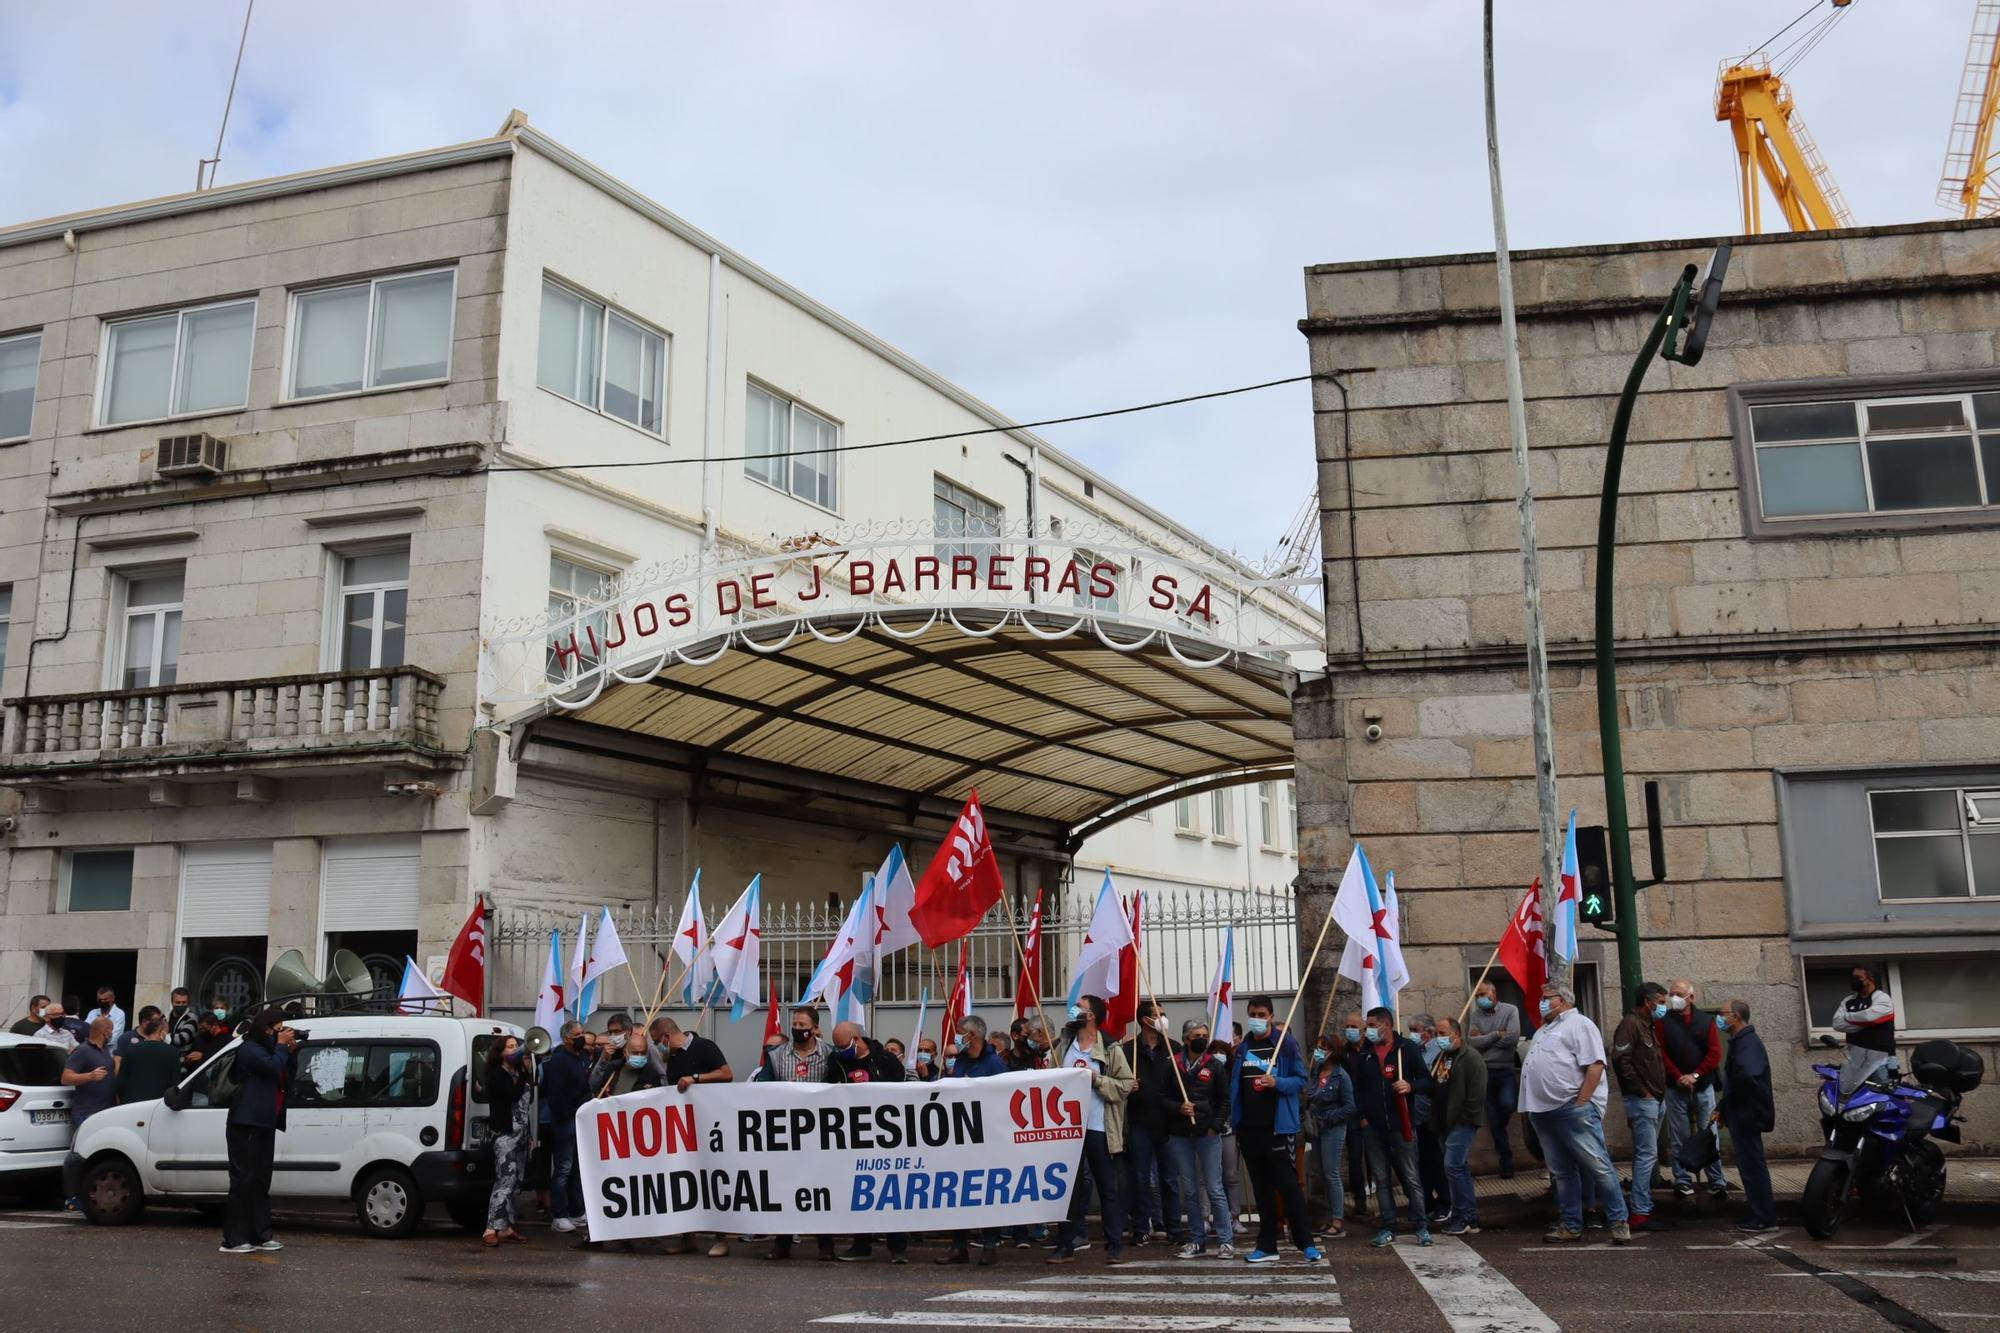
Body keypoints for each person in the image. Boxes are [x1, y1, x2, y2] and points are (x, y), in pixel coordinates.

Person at [1522, 984, 1631, 1245]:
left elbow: (1595, 1065)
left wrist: (1583, 1101)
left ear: (1562, 1000)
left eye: (1546, 998)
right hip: (1542, 1111)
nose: (1542, 1003)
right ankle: (1571, 1224)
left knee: (1598, 1166)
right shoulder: (1543, 1031)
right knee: (1561, 1172)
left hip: (1571, 1109)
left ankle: (1618, 1221)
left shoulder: (1580, 1024)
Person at [1229, 995, 1321, 1264]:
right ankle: (1267, 1244)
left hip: (1277, 1127)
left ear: (1270, 1015)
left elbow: (1301, 1081)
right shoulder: (1244, 1046)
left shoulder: (1285, 1043)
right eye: (1252, 1014)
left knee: (1288, 1185)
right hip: (1249, 1127)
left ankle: (1306, 1243)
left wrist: (1277, 1082)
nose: (1256, 1019)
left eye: (1260, 1014)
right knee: (1261, 1188)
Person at [1049, 995, 1134, 1265]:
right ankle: (1066, 1244)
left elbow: (1125, 1085)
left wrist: (1096, 1079)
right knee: (1069, 1191)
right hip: (1068, 1130)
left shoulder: (1110, 1048)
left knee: (1108, 1187)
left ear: (1091, 1016)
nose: (1074, 1010)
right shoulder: (1063, 1046)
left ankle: (1114, 1245)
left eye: (1080, 1007)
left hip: (1099, 1126)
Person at [827, 1022, 910, 1263]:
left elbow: (902, 1090)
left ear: (856, 1038)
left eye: (844, 1046)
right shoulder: (837, 1062)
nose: (840, 1050)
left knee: (891, 1192)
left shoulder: (885, 1058)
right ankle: (861, 1244)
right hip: (854, 1135)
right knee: (859, 1191)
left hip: (887, 1135)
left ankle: (897, 1247)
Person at [1351, 1005, 1432, 1248]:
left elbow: (1426, 1080)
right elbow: (1357, 1089)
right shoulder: (1364, 1053)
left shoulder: (1407, 1049)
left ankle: (1421, 1225)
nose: (1369, 1031)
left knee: (1410, 1175)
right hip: (1373, 1127)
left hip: (1401, 1123)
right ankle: (1388, 1226)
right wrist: (1363, 1117)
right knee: (1381, 1179)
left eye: (1373, 1026)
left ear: (1387, 1025)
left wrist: (1411, 1086)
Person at [937, 1015, 1011, 1265]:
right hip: (959, 1138)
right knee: (958, 1192)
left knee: (986, 1191)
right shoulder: (959, 1061)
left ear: (972, 1036)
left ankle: (990, 1244)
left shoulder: (994, 1064)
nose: (956, 1037)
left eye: (959, 1032)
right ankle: (959, 1245)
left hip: (987, 1138)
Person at [221, 1007, 295, 1254]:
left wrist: (290, 1051)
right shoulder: (250, 1048)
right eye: (277, 1029)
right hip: (245, 1123)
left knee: (261, 1181)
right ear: (266, 1028)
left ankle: (261, 1235)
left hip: (265, 1122)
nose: (280, 1033)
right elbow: (272, 1067)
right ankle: (233, 1239)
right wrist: (282, 1047)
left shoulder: (272, 1050)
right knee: (243, 1180)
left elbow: (284, 1074)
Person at [657, 1016, 732, 1257]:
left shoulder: (704, 1046)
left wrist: (696, 1079)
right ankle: (688, 1238)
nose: (657, 1047)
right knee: (685, 1179)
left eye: (657, 1041)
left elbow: (726, 1073)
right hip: (686, 1128)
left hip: (711, 1126)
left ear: (666, 1037)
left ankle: (721, 1238)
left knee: (714, 1179)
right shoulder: (674, 1057)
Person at [1167, 1016, 1234, 1258]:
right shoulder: (1172, 1064)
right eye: (1196, 1037)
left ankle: (1226, 1240)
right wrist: (1178, 1108)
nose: (1201, 1040)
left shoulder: (1214, 1065)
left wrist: (1215, 1126)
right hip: (1181, 1135)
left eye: (1204, 1036)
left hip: (1208, 1134)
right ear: (1186, 1039)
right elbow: (1162, 1099)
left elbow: (1225, 1100)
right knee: (1191, 1190)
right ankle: (1197, 1239)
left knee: (1215, 1188)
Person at [1657, 978, 1728, 1201]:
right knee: (1679, 1136)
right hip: (1675, 1087)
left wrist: (1695, 1075)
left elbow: (1714, 1053)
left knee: (1709, 1135)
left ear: (1691, 997)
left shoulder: (1705, 1022)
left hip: (1703, 1085)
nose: (1674, 998)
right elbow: (1662, 1053)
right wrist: (1678, 1077)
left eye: (1678, 994)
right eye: (1671, 994)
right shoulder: (1664, 1022)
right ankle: (1682, 1180)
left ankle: (1716, 1180)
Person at [1127, 998, 1185, 1249]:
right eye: (1158, 1014)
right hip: (1139, 1121)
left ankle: (1174, 1227)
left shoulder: (1173, 1048)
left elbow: (1183, 1082)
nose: (1163, 1018)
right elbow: (1117, 1082)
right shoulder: (1128, 1050)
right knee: (1140, 1178)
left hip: (1168, 1123)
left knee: (1170, 1178)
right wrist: (1129, 1087)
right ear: (1145, 1020)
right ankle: (1141, 1228)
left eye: (1163, 1013)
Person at [1610, 982, 1669, 1229]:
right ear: (1648, 1002)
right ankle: (1639, 1211)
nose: (1664, 1007)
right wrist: (1642, 1091)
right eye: (1662, 1002)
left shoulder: (1647, 1026)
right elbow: (1621, 1061)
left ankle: (1643, 1206)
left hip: (1655, 1098)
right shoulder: (1630, 1025)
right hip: (1643, 1100)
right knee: (1646, 1156)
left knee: (1647, 1155)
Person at [1717, 999, 1776, 1234]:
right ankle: (1759, 1213)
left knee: (1753, 1166)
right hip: (1742, 1112)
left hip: (1747, 1114)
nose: (1720, 1019)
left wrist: (1732, 1104)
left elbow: (1747, 1077)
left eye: (1723, 1014)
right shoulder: (1741, 1041)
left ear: (1736, 1017)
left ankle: (1764, 1217)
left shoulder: (1747, 1043)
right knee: (1749, 1166)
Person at [1432, 1017, 1486, 1235]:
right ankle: (1471, 1217)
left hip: (1461, 1122)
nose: (1439, 1038)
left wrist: (1466, 1118)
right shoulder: (1444, 1057)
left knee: (1452, 1166)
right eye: (1437, 1033)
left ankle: (1461, 1215)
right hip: (1444, 1122)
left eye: (1443, 1033)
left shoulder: (1471, 1058)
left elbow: (1477, 1093)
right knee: (1460, 1168)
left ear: (1456, 1034)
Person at [482, 1034, 534, 1248]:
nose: (514, 1050)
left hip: (521, 1134)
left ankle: (506, 1226)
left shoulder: (518, 1071)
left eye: (516, 1046)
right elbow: (512, 1095)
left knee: (517, 1182)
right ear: (501, 1052)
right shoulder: (496, 1074)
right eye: (510, 1047)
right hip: (504, 1134)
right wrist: (523, 1073)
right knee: (505, 1180)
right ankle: (490, 1228)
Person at [1466, 980, 1521, 1178]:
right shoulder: (1475, 1015)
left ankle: (1502, 1136)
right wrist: (1498, 1034)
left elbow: (1513, 1038)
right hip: (1484, 1073)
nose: (1480, 998)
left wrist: (1485, 1037)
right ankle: (1506, 1161)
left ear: (1494, 994)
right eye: (1477, 995)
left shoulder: (1510, 1010)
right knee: (1495, 1122)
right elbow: (1472, 1043)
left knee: (1507, 1105)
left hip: (1505, 1070)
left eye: (1482, 994)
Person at [1305, 1030, 1355, 1240]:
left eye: (1324, 1048)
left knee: (1332, 1173)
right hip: (1316, 1128)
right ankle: (1329, 1216)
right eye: (1318, 1047)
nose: (1319, 1051)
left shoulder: (1341, 1076)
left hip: (1332, 1128)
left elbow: (1350, 1106)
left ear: (1333, 1051)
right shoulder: (1315, 1072)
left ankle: (1338, 1220)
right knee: (1322, 1174)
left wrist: (1329, 1116)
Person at [543, 1020, 592, 1234]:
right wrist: (565, 1116)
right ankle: (559, 1215)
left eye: (582, 1033)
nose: (581, 1037)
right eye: (577, 1034)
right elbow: (555, 1094)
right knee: (563, 1169)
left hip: (578, 1120)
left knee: (576, 1169)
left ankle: (577, 1211)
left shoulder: (579, 1058)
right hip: (565, 1122)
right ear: (566, 1038)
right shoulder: (559, 1061)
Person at [1407, 1013, 1449, 1225]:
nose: (1412, 1034)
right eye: (1410, 1030)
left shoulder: (1439, 1052)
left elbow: (1439, 1082)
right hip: (1418, 1116)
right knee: (1423, 1162)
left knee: (1438, 1161)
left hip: (1433, 1115)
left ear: (1429, 1033)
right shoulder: (1414, 1052)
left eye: (1415, 1030)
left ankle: (1445, 1202)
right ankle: (1427, 1203)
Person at [1831, 963, 1896, 1095]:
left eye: (1858, 977)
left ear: (1870, 978)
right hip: (1855, 1060)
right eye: (1853, 976)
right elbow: (1837, 1023)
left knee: (1883, 1097)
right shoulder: (1848, 1001)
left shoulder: (1882, 998)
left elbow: (1870, 1016)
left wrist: (1848, 1018)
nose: (1854, 980)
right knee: (1851, 1097)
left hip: (1881, 1060)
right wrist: (1865, 1022)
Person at [117, 1011, 181, 1104]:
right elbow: (175, 1084)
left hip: (131, 1105)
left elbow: (121, 1081)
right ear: (161, 1032)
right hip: (158, 1105)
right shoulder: (172, 1052)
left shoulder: (131, 1050)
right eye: (167, 1032)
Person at [764, 1007, 835, 1084]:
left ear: (815, 1028)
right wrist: (782, 1087)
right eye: (794, 1024)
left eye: (802, 1025)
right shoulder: (776, 1055)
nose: (797, 1028)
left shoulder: (829, 1054)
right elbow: (762, 1086)